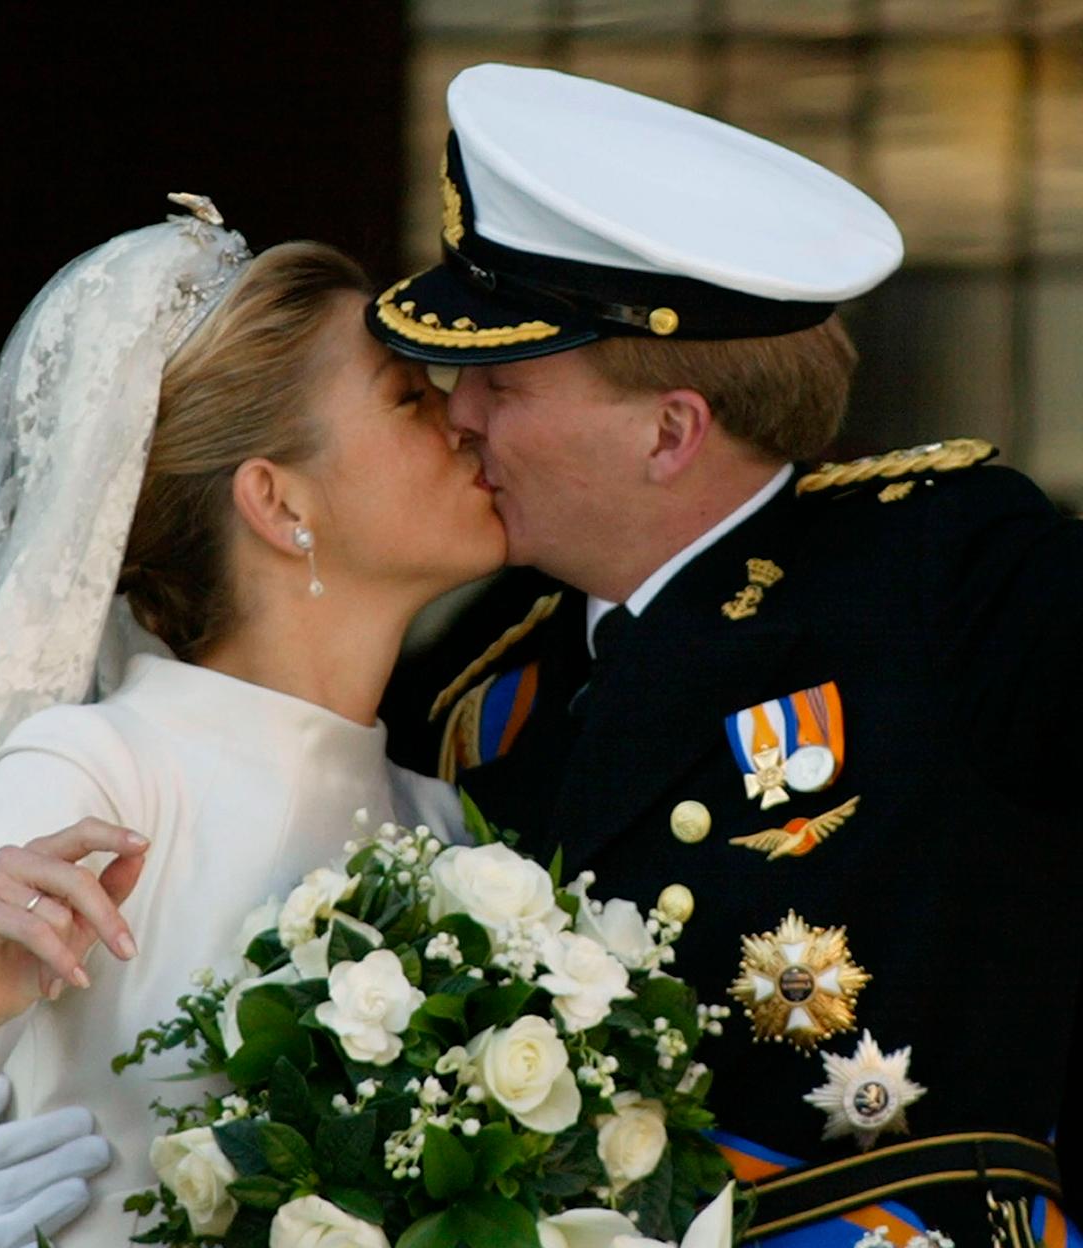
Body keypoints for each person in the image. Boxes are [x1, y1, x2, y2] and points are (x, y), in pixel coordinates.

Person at [369, 65, 1083, 1247]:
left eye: (502, 383)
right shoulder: (483, 693)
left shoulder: (941, 571)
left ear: (669, 430)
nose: (459, 417)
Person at [0, 195, 505, 1246]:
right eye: (409, 398)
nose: (466, 418)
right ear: (279, 503)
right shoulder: (105, 772)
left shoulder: (449, 822)